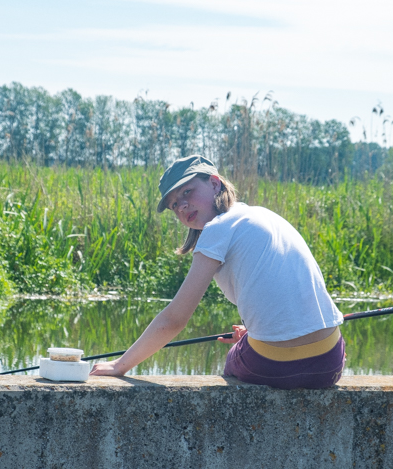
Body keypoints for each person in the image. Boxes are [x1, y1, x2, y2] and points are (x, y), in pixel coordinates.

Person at [90, 155, 345, 389]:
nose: (182, 206)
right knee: (247, 345)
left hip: (273, 366)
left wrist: (118, 365)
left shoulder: (217, 229)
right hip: (329, 362)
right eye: (174, 205)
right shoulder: (266, 217)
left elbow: (175, 319)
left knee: (234, 358)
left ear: (214, 183)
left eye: (187, 192)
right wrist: (258, 335)